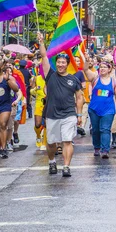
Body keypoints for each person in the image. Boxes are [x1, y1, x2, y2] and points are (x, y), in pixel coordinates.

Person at [38, 32, 84, 177]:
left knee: (67, 141)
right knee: (51, 143)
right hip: (52, 114)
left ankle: (66, 166)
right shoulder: (50, 75)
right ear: (56, 63)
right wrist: (41, 42)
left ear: (67, 64)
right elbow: (44, 57)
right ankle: (52, 162)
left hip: (69, 114)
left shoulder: (73, 79)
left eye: (63, 62)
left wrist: (79, 114)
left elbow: (79, 97)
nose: (60, 64)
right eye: (58, 62)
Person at [83, 58, 116, 158]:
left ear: (109, 69)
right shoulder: (95, 78)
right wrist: (86, 60)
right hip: (94, 109)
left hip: (108, 110)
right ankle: (97, 148)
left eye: (104, 67)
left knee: (105, 129)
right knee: (96, 129)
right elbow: (85, 70)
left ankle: (105, 150)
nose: (102, 69)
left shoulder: (114, 82)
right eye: (100, 67)